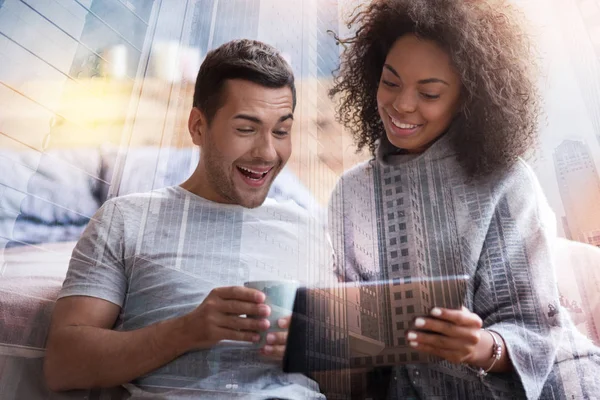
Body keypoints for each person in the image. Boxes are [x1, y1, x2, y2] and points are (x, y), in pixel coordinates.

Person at [327, 0, 600, 398]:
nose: (402, 104)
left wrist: (478, 347)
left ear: (468, 98)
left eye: (430, 93)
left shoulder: (507, 181)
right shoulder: (351, 193)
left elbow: (538, 331)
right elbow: (353, 337)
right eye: (390, 82)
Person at [44, 39, 331, 399]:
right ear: (198, 126)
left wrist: (318, 350)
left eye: (281, 131)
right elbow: (62, 365)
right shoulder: (124, 220)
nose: (267, 152)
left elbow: (352, 380)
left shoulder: (309, 228)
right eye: (246, 129)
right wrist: (188, 331)